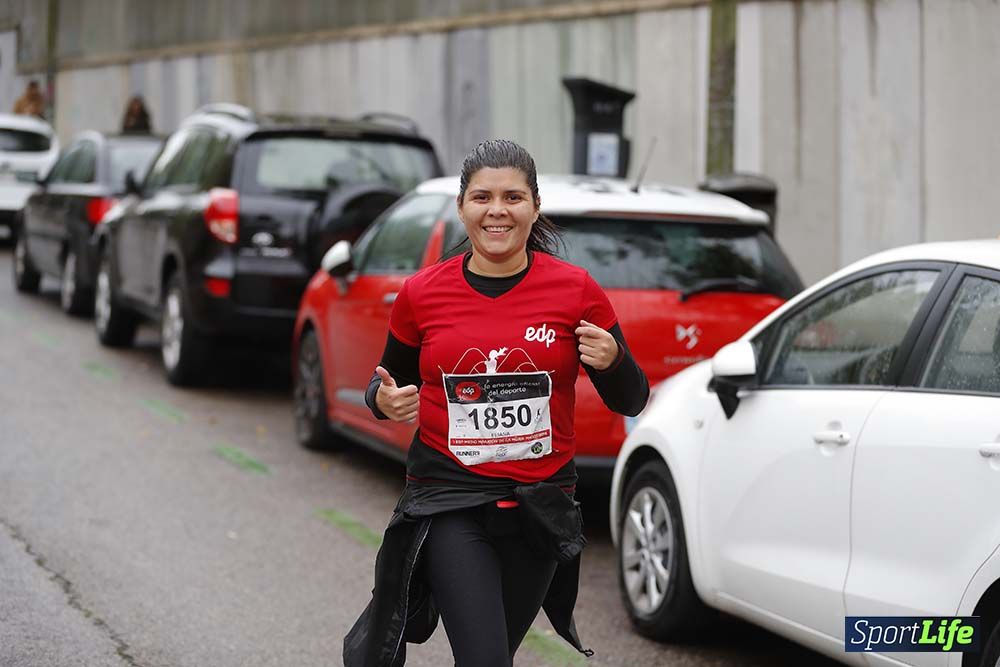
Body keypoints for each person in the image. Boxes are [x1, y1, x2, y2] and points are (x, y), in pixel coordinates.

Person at [343, 139, 649, 666]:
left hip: (540, 510)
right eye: (482, 197)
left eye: (513, 197)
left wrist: (614, 358)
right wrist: (383, 400)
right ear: (462, 207)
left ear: (534, 206)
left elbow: (632, 399)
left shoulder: (576, 291)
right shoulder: (422, 293)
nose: (497, 210)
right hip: (452, 501)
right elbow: (385, 382)